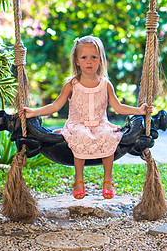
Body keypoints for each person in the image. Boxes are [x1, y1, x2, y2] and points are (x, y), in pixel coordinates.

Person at [19, 36, 152, 200]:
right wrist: (32, 112)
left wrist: (139, 111)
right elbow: (54, 106)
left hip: (100, 124)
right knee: (81, 136)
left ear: (100, 60)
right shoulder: (71, 85)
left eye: (94, 57)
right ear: (76, 60)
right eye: (84, 57)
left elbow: (118, 107)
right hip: (77, 124)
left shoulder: (105, 84)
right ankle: (79, 180)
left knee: (108, 136)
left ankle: (108, 181)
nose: (89, 61)